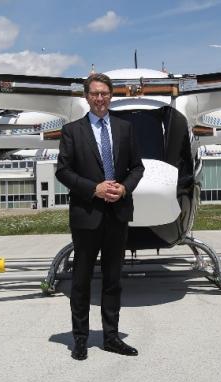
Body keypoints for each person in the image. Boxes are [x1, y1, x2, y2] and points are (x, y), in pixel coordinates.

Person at [55, 73, 145, 361]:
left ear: (111, 95)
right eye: (94, 93)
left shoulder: (125, 128)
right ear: (86, 96)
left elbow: (137, 168)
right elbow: (63, 171)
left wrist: (124, 188)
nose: (99, 98)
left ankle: (111, 337)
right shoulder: (72, 131)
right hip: (87, 214)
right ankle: (80, 339)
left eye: (104, 93)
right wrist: (93, 188)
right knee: (81, 280)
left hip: (116, 214)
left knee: (113, 279)